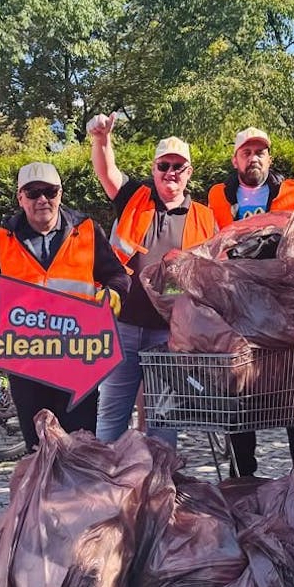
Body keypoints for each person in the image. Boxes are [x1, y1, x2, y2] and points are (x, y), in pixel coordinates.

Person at [0, 161, 130, 451]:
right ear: (20, 198)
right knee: (39, 448)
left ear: (60, 194)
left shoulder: (86, 230)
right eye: (33, 192)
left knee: (81, 445)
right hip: (27, 361)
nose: (42, 199)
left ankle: (81, 498)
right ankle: (44, 497)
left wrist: (113, 294)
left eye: (49, 191)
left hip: (78, 360)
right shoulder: (2, 239)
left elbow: (117, 275)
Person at [85, 115, 218, 446]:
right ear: (154, 168)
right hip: (124, 325)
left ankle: (160, 486)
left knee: (164, 417)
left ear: (188, 173)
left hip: (170, 333)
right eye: (164, 165)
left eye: (178, 166)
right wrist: (101, 139)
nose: (170, 172)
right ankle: (107, 485)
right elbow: (107, 172)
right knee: (113, 413)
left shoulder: (204, 216)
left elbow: (213, 274)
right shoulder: (135, 198)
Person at [205, 127, 294, 475]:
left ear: (270, 157)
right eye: (246, 152)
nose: (254, 158)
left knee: (292, 392)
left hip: (283, 306)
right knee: (242, 390)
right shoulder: (218, 197)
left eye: (260, 152)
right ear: (235, 159)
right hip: (237, 307)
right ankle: (244, 477)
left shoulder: (292, 193)